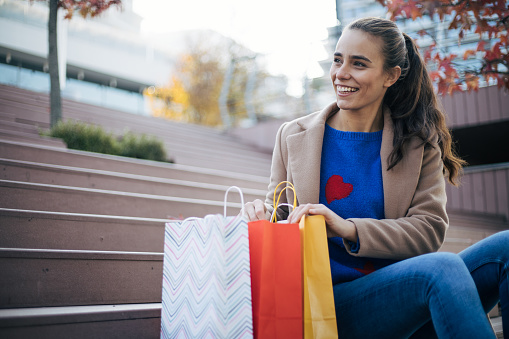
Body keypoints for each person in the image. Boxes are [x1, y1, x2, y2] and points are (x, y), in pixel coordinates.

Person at [244, 17, 508, 338]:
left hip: (406, 293)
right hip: (329, 303)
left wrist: (348, 228)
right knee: (442, 268)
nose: (341, 73)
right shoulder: (293, 135)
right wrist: (259, 216)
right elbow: (280, 215)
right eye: (338, 60)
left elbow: (428, 230)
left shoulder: (417, 141)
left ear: (391, 76)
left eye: (359, 64)